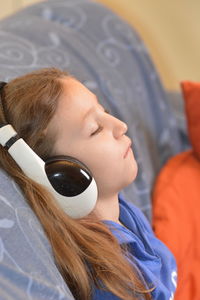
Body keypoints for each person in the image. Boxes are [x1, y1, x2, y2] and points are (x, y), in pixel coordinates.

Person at [0, 67, 177, 300]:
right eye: (96, 129)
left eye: (104, 111)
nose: (120, 126)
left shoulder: (122, 213)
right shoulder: (109, 280)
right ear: (59, 173)